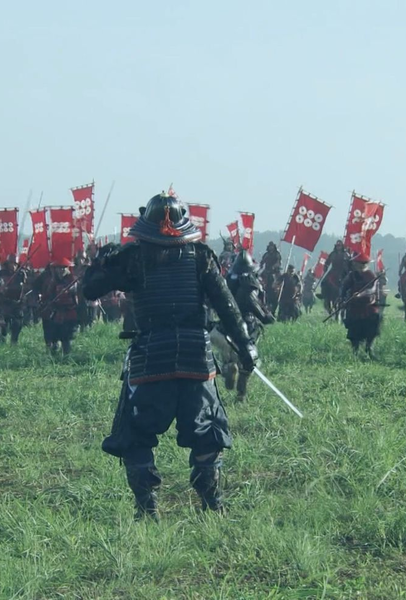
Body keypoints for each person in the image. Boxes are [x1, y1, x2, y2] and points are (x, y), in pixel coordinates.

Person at [83, 193, 257, 519]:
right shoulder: (199, 255)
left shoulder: (133, 256)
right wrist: (245, 343)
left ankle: (147, 510)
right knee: (207, 434)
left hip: (151, 359)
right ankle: (212, 505)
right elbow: (226, 305)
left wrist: (103, 260)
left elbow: (90, 289)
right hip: (195, 359)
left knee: (135, 435)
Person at [211, 250, 274, 401]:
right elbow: (252, 303)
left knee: (229, 355)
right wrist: (265, 317)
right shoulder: (249, 284)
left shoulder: (227, 281)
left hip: (225, 325)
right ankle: (241, 394)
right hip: (246, 326)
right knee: (248, 361)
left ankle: (228, 367)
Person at [339, 253, 381, 357]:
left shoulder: (371, 275)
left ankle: (369, 348)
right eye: (359, 263)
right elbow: (344, 288)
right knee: (354, 331)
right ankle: (355, 352)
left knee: (372, 328)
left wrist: (360, 294)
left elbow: (372, 289)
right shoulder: (351, 275)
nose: (361, 265)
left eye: (363, 263)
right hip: (354, 307)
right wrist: (342, 299)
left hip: (369, 306)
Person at [43, 258, 79, 355]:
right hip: (57, 312)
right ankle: (54, 356)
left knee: (66, 337)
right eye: (59, 268)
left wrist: (69, 290)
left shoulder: (72, 279)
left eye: (63, 268)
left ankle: (67, 356)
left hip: (69, 312)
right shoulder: (53, 281)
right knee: (54, 335)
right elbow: (48, 294)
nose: (61, 270)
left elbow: (76, 289)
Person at [0, 254, 26, 344]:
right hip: (5, 302)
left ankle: (14, 341)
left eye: (15, 264)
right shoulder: (1, 274)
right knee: (3, 323)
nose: (12, 266)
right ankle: (3, 338)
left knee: (17, 323)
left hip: (17, 302)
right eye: (11, 263)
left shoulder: (21, 274)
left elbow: (26, 287)